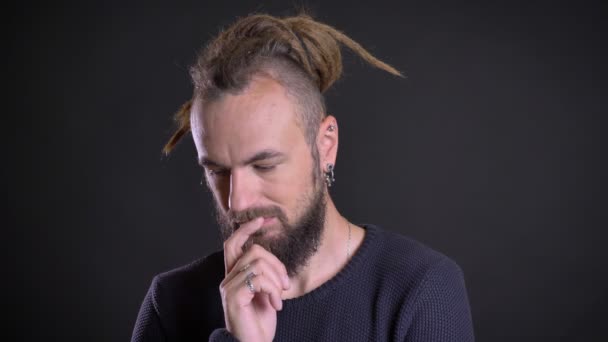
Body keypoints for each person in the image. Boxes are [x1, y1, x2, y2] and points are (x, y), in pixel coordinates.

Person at [131, 12, 474, 342]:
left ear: (325, 146)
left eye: (264, 165)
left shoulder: (420, 290)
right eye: (217, 171)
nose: (237, 201)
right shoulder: (172, 304)